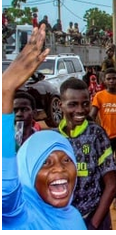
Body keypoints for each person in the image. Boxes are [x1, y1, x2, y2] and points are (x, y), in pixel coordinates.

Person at [2, 23, 86, 230]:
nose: (59, 168)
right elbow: (6, 190)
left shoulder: (74, 218)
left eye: (67, 159)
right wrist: (5, 92)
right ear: (28, 172)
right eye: (45, 163)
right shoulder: (19, 214)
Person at [58, 78, 116, 229]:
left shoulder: (96, 134)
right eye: (73, 104)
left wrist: (93, 224)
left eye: (85, 104)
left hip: (93, 217)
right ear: (61, 105)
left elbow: (111, 184)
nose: (80, 110)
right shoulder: (54, 138)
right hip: (62, 220)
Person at [90, 67, 116, 214]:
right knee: (102, 168)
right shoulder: (99, 96)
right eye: (109, 78)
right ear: (104, 81)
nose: (111, 81)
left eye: (114, 78)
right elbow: (93, 115)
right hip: (104, 138)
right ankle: (101, 198)